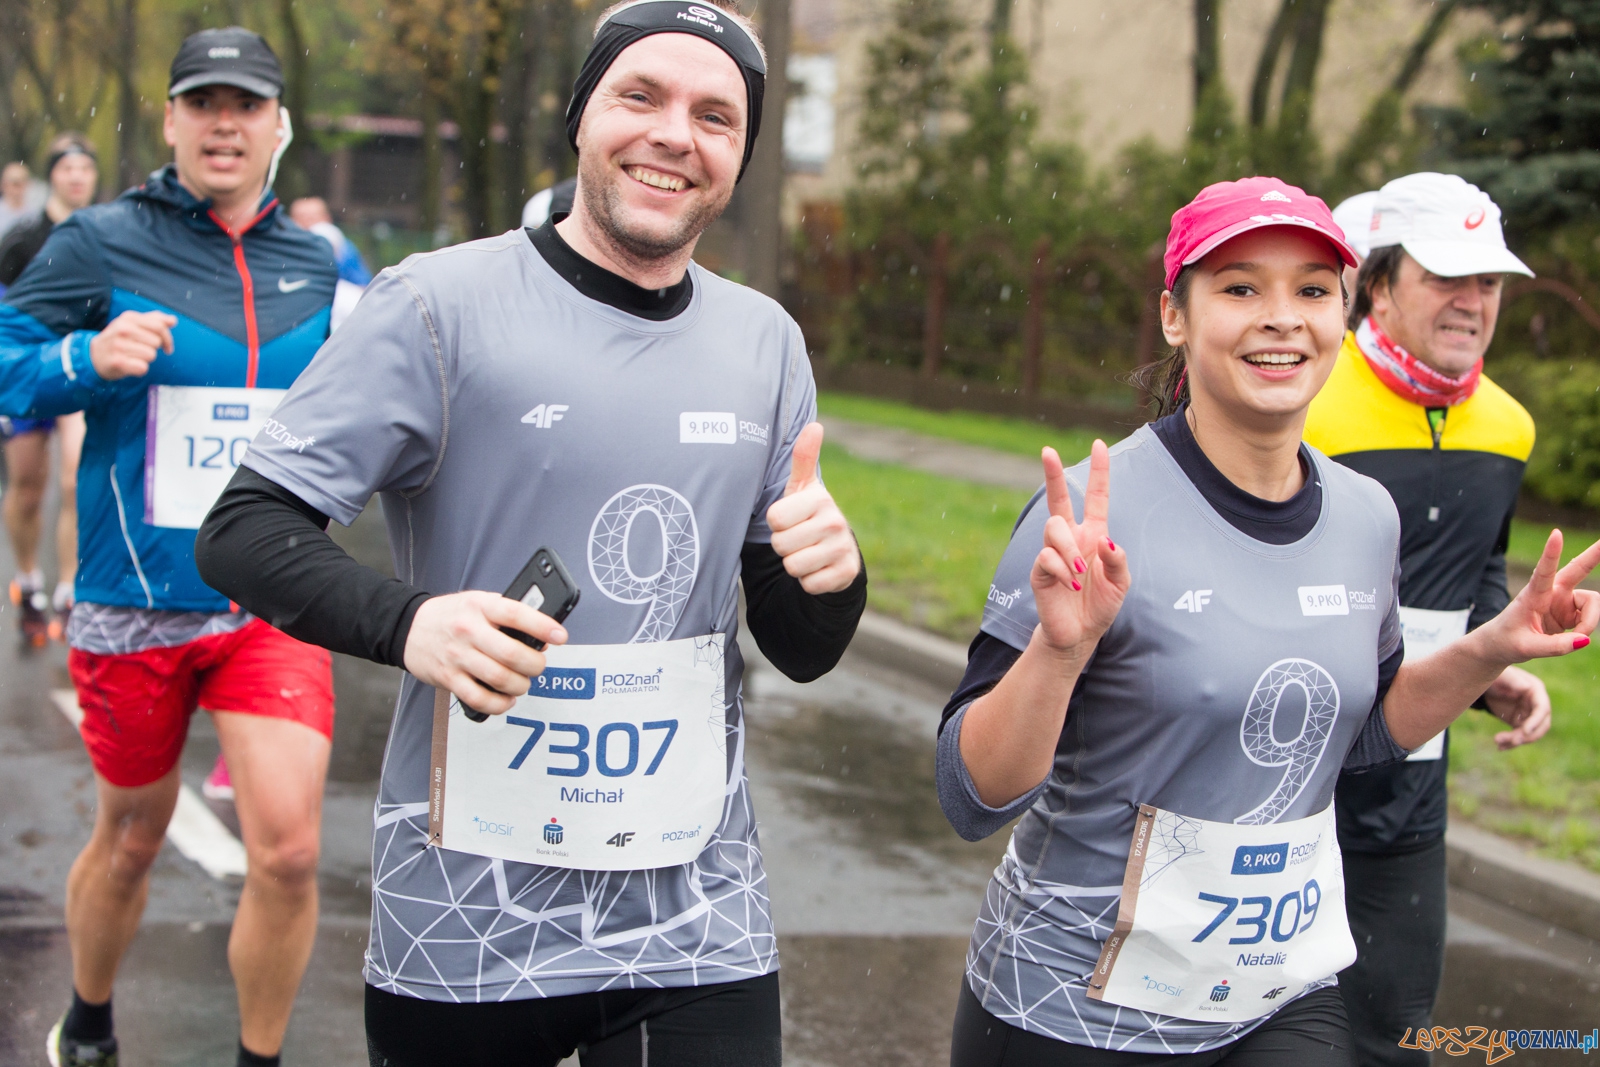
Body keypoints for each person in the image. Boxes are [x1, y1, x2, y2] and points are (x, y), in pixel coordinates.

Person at [195, 0, 865, 1062]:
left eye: (715, 115)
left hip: (691, 916)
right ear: (581, 116)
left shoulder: (764, 340)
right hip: (469, 907)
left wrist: (834, 577)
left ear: (739, 152)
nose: (673, 135)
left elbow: (800, 644)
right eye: (639, 96)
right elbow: (241, 528)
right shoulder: (436, 305)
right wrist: (410, 621)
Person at [935, 176, 1598, 1066]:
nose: (1282, 317)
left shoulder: (1365, 515)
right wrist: (1060, 650)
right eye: (1241, 287)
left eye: (1312, 291)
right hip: (1071, 1005)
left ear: (1345, 311)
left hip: (1276, 996)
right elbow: (971, 796)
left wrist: (1493, 645)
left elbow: (1361, 737)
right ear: (1175, 315)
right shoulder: (1099, 514)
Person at [0, 27, 338, 1067]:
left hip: (270, 598)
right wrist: (84, 355)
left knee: (285, 848)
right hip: (133, 594)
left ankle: (257, 1057)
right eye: (204, 103)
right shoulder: (101, 242)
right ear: (171, 121)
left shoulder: (315, 265)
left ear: (279, 125)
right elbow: (8, 359)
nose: (224, 124)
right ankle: (91, 1014)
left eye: (246, 106)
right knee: (133, 835)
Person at [1306, 174, 1548, 1067]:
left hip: (1409, 797)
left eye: (1488, 280)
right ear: (1380, 282)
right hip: (1290, 788)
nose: (1472, 301)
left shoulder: (1508, 428)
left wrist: (1494, 668)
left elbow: (1478, 575)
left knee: (1391, 1039)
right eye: (1448, 275)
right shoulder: (1308, 407)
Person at [0, 132, 98, 645]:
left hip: (80, 367)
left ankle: (67, 589)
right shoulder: (22, 238)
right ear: (53, 176)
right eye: (67, 168)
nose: (77, 176)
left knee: (74, 480)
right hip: (30, 370)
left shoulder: (105, 235)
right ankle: (27, 580)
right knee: (28, 486)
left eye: (85, 168)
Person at [0, 160, 36, 241]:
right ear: (3, 184)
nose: (16, 190)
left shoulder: (34, 217)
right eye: (13, 183)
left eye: (20, 183)